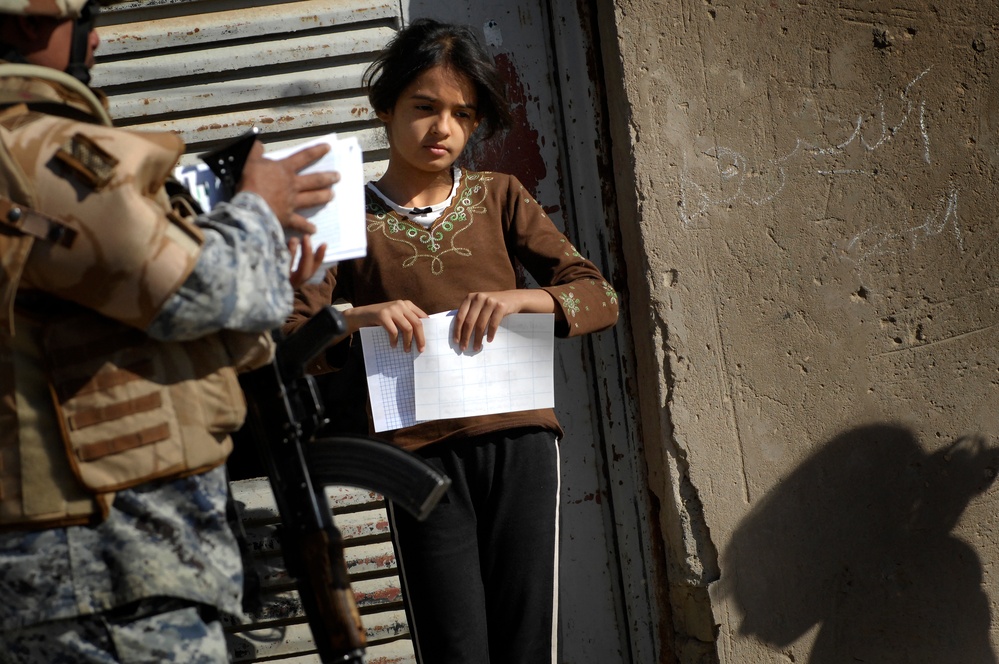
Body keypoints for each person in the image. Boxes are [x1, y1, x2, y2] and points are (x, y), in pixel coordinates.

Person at [0, 1, 337, 662]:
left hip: (90, 575)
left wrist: (269, 288)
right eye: (85, 18)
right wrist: (259, 211)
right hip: (103, 575)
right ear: (33, 23)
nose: (96, 40)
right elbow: (191, 291)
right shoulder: (33, 151)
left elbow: (113, 319)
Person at [286, 18, 619, 664]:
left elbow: (598, 297)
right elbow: (294, 338)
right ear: (384, 108)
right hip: (414, 460)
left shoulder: (501, 197)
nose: (443, 129)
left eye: (462, 115)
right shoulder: (345, 213)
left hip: (520, 444)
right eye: (424, 107)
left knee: (527, 644)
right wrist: (360, 317)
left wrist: (523, 297)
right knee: (454, 646)